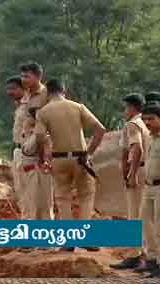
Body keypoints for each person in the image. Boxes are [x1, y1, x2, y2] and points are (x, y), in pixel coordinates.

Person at [35, 79, 106, 252]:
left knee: (62, 198)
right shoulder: (77, 107)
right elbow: (100, 129)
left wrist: (42, 158)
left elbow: (39, 137)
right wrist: (89, 152)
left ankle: (68, 242)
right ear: (64, 90)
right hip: (80, 158)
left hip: (58, 159)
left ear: (48, 93)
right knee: (86, 195)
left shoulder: (43, 112)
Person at [111, 93, 150, 269]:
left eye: (125, 107)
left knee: (134, 214)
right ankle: (147, 255)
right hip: (148, 171)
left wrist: (131, 172)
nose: (124, 111)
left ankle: (136, 255)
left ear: (133, 108)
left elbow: (136, 147)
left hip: (139, 170)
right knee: (146, 215)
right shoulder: (147, 123)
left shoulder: (132, 124)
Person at [133, 104, 160, 277]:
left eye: (151, 119)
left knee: (159, 226)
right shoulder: (150, 138)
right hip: (148, 186)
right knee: (147, 225)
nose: (147, 122)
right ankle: (151, 260)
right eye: (145, 119)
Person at [20, 107, 54, 220]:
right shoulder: (31, 129)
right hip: (31, 169)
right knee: (31, 203)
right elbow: (27, 150)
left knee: (45, 203)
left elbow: (49, 152)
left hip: (43, 170)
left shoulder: (46, 133)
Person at [6, 76, 27, 217]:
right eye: (8, 89)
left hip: (29, 152)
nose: (9, 92)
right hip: (19, 150)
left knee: (29, 191)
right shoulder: (19, 107)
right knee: (20, 190)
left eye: (13, 88)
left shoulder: (30, 106)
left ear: (23, 88)